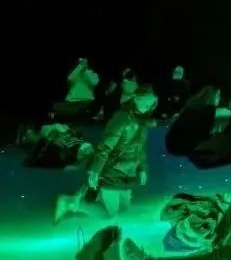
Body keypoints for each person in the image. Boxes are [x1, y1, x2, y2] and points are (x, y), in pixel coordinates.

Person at [53, 84, 158, 223]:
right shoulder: (122, 118)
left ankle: (81, 195)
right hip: (112, 170)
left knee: (123, 208)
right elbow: (106, 145)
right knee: (109, 215)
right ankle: (70, 203)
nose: (148, 106)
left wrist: (142, 168)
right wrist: (96, 170)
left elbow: (140, 148)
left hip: (128, 172)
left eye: (151, 103)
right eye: (145, 101)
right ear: (136, 99)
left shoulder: (142, 121)